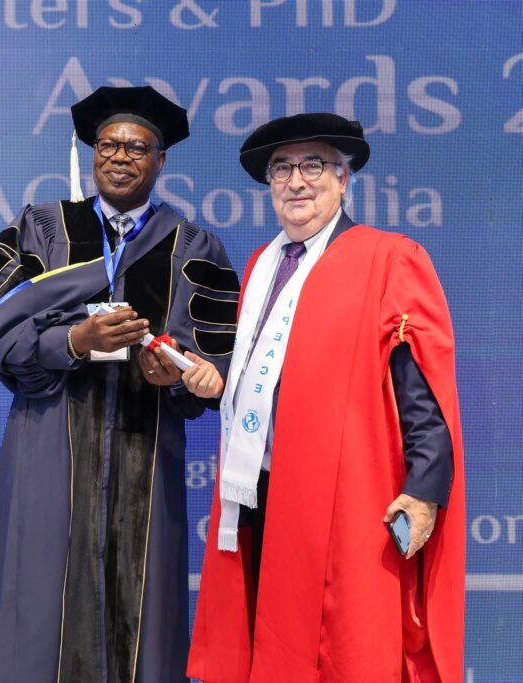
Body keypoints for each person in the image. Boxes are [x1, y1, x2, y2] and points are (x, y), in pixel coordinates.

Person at [188, 113, 465, 682]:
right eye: (281, 169)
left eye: (312, 166)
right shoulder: (262, 265)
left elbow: (422, 393)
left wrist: (423, 492)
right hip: (261, 493)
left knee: (345, 650)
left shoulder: (387, 257)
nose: (296, 181)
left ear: (343, 179)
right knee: (269, 642)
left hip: (347, 500)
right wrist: (216, 384)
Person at [0, 85, 239, 682]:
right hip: (48, 441)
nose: (120, 157)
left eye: (137, 147)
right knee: (39, 599)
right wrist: (75, 341)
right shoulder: (39, 229)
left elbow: (211, 366)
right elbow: (3, 341)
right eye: (108, 145)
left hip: (146, 447)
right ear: (93, 153)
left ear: (160, 160)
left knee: (144, 610)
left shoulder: (193, 247)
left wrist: (172, 373)